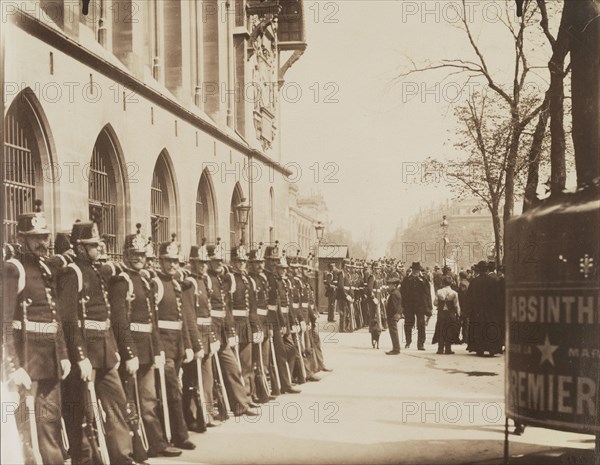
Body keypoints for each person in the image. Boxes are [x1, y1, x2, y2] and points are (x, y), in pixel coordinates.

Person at [58, 219, 141, 465]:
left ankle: (122, 458)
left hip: (105, 350)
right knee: (83, 413)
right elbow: (69, 319)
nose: (99, 249)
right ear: (81, 247)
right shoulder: (71, 273)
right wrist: (80, 357)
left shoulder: (98, 270)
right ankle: (87, 460)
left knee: (117, 404)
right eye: (93, 245)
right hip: (85, 354)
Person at [3, 200, 72, 465]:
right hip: (27, 358)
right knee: (26, 430)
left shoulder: (45, 268)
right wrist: (14, 366)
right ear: (22, 239)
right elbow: (5, 322)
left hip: (50, 359)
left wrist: (63, 355)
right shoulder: (14, 268)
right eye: (34, 238)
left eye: (43, 236)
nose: (41, 242)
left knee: (50, 422)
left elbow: (55, 317)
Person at [109, 225, 182, 458]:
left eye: (141, 255)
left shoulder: (144, 280)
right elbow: (120, 321)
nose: (139, 259)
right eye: (134, 255)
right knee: (130, 403)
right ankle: (136, 449)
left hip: (148, 348)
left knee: (149, 400)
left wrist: (158, 349)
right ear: (126, 256)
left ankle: (157, 443)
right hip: (132, 350)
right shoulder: (121, 281)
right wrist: (129, 353)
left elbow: (153, 319)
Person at [151, 234, 197, 449]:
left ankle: (175, 432)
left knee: (173, 390)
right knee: (171, 391)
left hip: (177, 346)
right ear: (160, 261)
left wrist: (187, 345)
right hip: (163, 347)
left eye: (175, 261)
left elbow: (183, 318)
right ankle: (178, 435)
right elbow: (151, 319)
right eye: (168, 260)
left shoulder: (177, 284)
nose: (172, 265)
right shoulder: (155, 283)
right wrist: (158, 350)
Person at [181, 242, 222, 431]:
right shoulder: (189, 283)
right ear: (192, 262)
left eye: (205, 262)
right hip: (195, 335)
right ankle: (193, 416)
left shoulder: (204, 281)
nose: (204, 265)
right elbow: (189, 316)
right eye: (200, 262)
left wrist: (212, 338)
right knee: (191, 379)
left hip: (206, 333)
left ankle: (207, 412)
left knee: (206, 376)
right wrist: (196, 344)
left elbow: (209, 312)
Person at [466, 260, 503, 356]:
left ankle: (479, 349)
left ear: (479, 270)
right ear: (487, 269)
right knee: (490, 328)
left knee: (478, 328)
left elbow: (469, 297)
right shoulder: (493, 281)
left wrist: (469, 310)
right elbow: (498, 297)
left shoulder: (474, 282)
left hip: (477, 310)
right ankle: (492, 349)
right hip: (491, 310)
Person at [400, 262, 432, 350]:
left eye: (417, 270)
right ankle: (408, 341)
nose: (415, 272)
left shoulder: (424, 280)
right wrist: (401, 306)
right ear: (412, 270)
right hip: (409, 306)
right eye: (414, 270)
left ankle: (421, 344)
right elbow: (402, 293)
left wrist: (429, 307)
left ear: (419, 271)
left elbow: (428, 294)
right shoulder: (406, 279)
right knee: (408, 324)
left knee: (421, 325)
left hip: (420, 306)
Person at [433, 276, 461, 354]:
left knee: (441, 329)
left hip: (441, 313)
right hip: (450, 313)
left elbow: (435, 303)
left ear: (443, 283)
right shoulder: (454, 293)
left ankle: (440, 349)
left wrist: (440, 303)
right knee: (449, 329)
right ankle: (448, 349)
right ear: (451, 283)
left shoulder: (439, 291)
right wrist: (458, 314)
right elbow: (456, 305)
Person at [385, 272, 403, 355]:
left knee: (393, 332)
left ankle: (396, 349)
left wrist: (390, 314)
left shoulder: (393, 294)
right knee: (394, 332)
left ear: (394, 285)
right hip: (394, 315)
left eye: (391, 285)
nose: (389, 286)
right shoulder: (397, 292)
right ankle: (396, 348)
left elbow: (394, 307)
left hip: (392, 316)